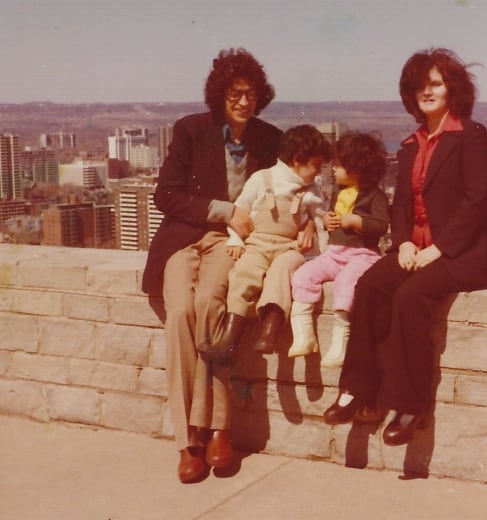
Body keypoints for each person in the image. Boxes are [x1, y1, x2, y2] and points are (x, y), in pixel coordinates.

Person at [322, 48, 487, 445]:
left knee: (410, 297)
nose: (428, 91)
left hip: (463, 252)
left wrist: (439, 248)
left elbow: (478, 200)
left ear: (452, 88)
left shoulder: (471, 137)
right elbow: (401, 203)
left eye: (436, 83)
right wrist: (403, 242)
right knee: (370, 286)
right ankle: (357, 390)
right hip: (416, 247)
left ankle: (412, 406)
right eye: (420, 86)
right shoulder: (411, 145)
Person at [141, 47, 282, 483]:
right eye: (236, 92)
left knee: (210, 308)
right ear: (220, 94)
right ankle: (188, 439)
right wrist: (223, 209)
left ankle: (217, 429)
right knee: (180, 312)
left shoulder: (268, 138)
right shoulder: (191, 131)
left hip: (232, 244)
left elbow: (283, 194)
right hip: (184, 238)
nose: (244, 100)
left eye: (251, 93)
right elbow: (165, 195)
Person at [201, 124, 330, 361]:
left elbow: (321, 224)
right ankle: (228, 341)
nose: (318, 172)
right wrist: (237, 239)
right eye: (316, 165)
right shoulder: (262, 179)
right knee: (243, 274)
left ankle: (269, 332)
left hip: (289, 247)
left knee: (281, 272)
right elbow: (242, 210)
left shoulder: (312, 192)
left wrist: (318, 258)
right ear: (298, 159)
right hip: (257, 243)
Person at [288, 131, 390, 367]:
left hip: (362, 256)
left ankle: (340, 340)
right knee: (304, 274)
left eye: (339, 166)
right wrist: (327, 221)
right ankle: (304, 335)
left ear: (358, 168)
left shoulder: (375, 196)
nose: (333, 169)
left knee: (347, 282)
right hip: (334, 253)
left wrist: (356, 221)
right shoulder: (339, 192)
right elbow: (330, 217)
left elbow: (381, 226)